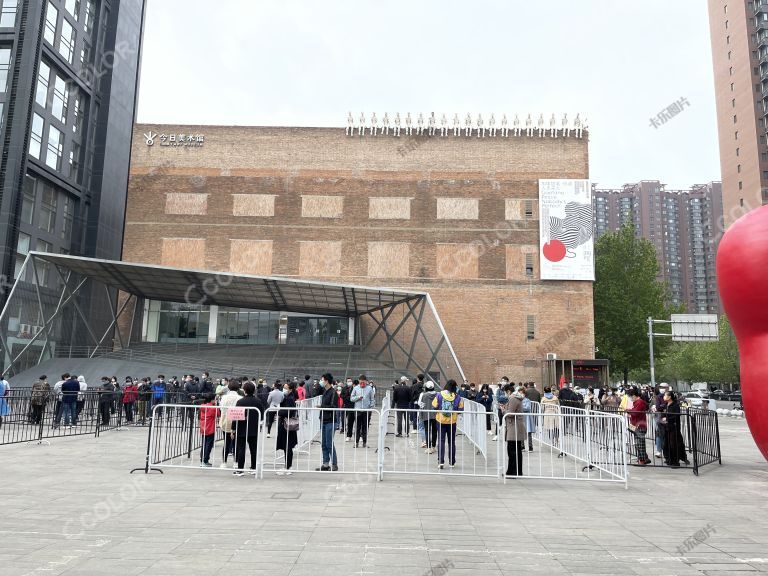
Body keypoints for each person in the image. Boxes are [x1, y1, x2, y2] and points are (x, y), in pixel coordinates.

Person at [233, 381, 266, 476]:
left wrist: (233, 429)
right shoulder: (258, 401)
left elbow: (236, 417)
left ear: (245, 390)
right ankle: (253, 468)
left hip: (241, 428)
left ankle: (240, 469)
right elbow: (262, 415)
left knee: (241, 449)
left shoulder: (240, 401)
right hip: (254, 429)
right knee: (253, 449)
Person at [432, 379, 464, 469]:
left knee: (441, 441)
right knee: (451, 442)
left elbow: (434, 406)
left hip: (440, 420)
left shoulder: (439, 395)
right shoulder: (458, 397)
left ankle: (441, 461)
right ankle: (451, 462)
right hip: (452, 421)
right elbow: (461, 409)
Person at [316, 373, 339, 471]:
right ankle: (325, 464)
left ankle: (334, 464)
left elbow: (333, 407)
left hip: (331, 420)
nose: (321, 382)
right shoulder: (325, 392)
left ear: (327, 381)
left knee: (329, 443)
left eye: (322, 380)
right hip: (324, 420)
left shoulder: (333, 392)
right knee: (324, 444)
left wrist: (321, 407)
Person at [661, 390, 689, 468]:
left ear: (670, 397)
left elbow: (676, 416)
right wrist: (662, 418)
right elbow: (663, 414)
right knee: (665, 444)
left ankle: (675, 462)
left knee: (674, 444)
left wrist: (667, 419)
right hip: (666, 428)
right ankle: (668, 459)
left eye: (665, 395)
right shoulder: (666, 405)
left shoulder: (675, 405)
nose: (664, 397)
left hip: (674, 428)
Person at [276, 381, 298, 474]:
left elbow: (289, 411)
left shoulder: (290, 398)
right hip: (285, 424)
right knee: (287, 446)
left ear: (290, 389)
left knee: (288, 446)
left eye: (286, 387)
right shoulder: (287, 397)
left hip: (287, 425)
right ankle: (287, 466)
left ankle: (288, 467)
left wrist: (279, 411)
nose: (284, 389)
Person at [504, 386, 527, 477]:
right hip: (516, 425)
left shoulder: (513, 398)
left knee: (512, 450)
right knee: (516, 450)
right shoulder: (516, 398)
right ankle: (517, 471)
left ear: (509, 391)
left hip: (514, 426)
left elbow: (510, 413)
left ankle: (512, 471)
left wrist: (504, 411)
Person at [219, 381, 243, 467]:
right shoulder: (240, 398)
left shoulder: (224, 397)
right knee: (236, 443)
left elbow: (221, 409)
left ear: (228, 388)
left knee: (226, 442)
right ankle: (235, 462)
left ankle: (224, 462)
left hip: (225, 421)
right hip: (236, 421)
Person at [626, 387, 650, 465]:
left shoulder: (639, 402)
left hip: (640, 426)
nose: (629, 398)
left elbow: (635, 413)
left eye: (630, 396)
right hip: (635, 425)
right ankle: (644, 458)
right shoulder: (636, 402)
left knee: (640, 444)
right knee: (638, 443)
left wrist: (628, 411)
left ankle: (642, 460)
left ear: (634, 395)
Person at [350, 374, 375, 448]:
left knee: (365, 427)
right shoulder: (356, 388)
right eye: (360, 383)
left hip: (366, 411)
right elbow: (351, 398)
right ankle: (356, 442)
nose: (362, 384)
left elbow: (372, 399)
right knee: (357, 427)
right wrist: (358, 397)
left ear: (366, 382)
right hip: (358, 410)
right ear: (359, 381)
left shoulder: (369, 388)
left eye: (363, 383)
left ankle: (364, 442)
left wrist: (370, 407)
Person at [198, 393, 219, 467]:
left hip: (203, 427)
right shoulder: (212, 407)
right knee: (208, 445)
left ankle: (202, 460)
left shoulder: (202, 406)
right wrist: (216, 406)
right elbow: (218, 414)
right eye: (215, 399)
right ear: (212, 399)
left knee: (204, 444)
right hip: (210, 427)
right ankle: (205, 460)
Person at [418, 381, 438, 453]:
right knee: (435, 431)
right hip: (436, 415)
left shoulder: (424, 395)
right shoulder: (437, 394)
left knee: (427, 431)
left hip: (426, 415)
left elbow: (421, 405)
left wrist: (421, 415)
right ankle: (433, 447)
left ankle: (429, 448)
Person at [651, 383, 670, 458]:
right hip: (660, 418)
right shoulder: (658, 397)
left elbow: (672, 405)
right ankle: (659, 451)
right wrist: (664, 406)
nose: (662, 388)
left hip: (669, 418)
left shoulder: (671, 395)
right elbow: (658, 407)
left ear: (667, 388)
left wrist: (664, 406)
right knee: (659, 434)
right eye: (661, 387)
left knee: (668, 435)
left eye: (664, 387)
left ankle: (667, 451)